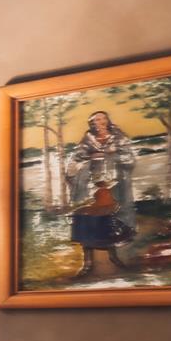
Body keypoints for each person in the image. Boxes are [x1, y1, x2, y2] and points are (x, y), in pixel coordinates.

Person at [64, 110, 138, 275]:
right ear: (92, 123)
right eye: (96, 120)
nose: (100, 122)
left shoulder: (118, 137)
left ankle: (113, 257)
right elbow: (75, 161)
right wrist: (90, 160)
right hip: (89, 188)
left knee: (108, 220)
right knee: (86, 221)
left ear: (107, 120)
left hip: (110, 186)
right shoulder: (87, 140)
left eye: (103, 118)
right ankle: (87, 263)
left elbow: (130, 159)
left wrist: (111, 155)